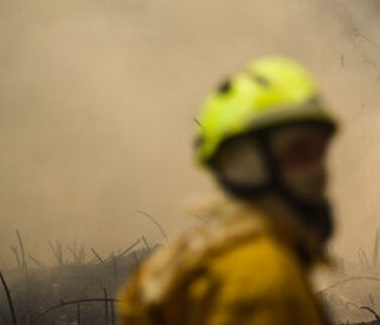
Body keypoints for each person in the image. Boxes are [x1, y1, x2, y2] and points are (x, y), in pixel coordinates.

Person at [118, 56, 337, 324]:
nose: (319, 170)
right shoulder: (263, 282)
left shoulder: (190, 258)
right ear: (248, 163)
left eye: (319, 151)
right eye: (300, 151)